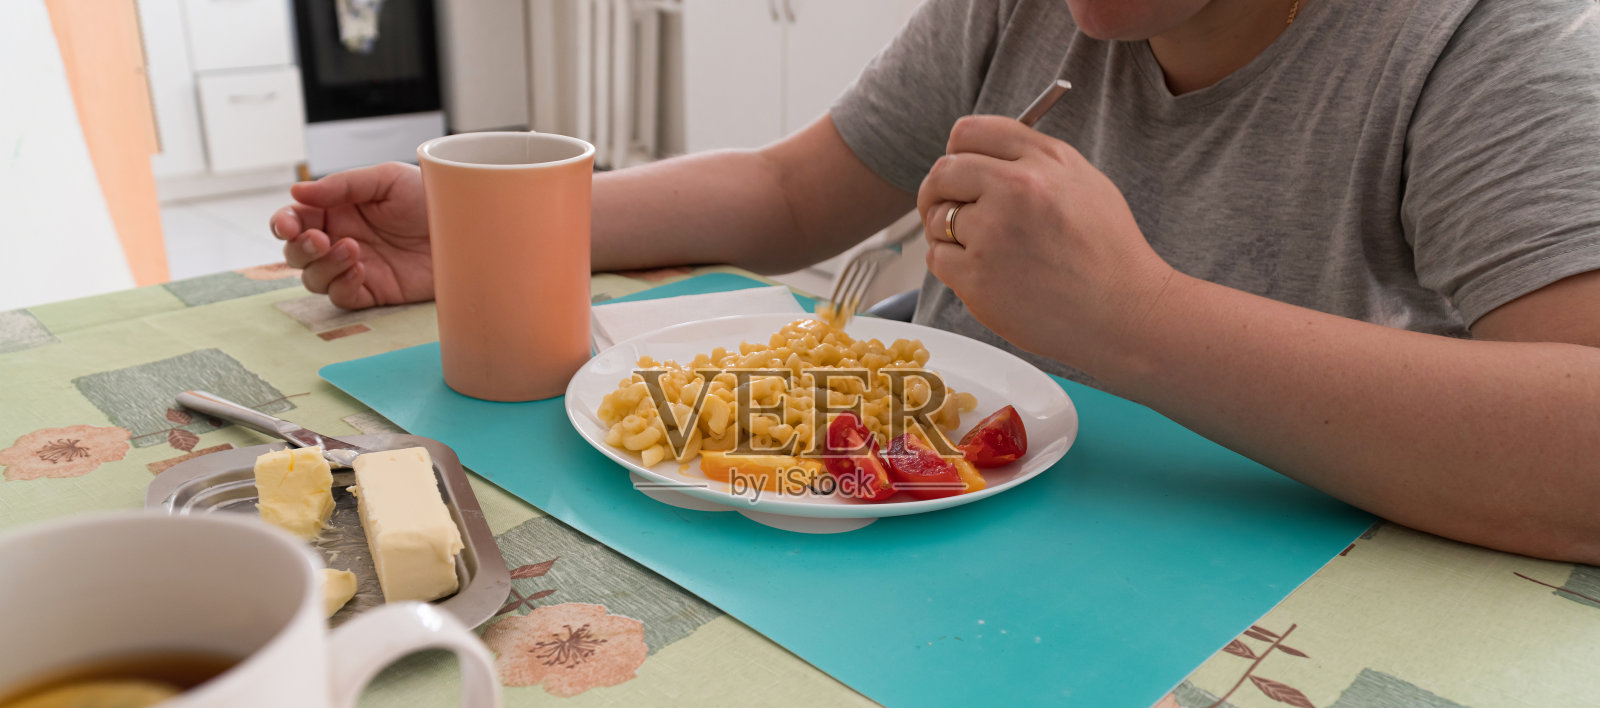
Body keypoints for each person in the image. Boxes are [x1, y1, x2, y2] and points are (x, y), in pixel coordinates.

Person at [271, 0, 1600, 565]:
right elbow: (800, 192)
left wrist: (1139, 325)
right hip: (865, 541)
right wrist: (497, 232)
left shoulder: (1492, 42)